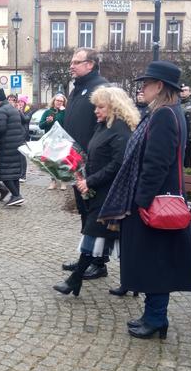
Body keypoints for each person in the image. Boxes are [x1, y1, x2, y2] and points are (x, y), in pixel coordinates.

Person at [99, 61, 191, 339]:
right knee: (155, 261)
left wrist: (141, 201)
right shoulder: (168, 111)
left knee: (155, 263)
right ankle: (152, 315)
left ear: (160, 87)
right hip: (157, 198)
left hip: (154, 203)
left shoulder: (164, 115)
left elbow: (157, 163)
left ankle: (156, 318)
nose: (142, 88)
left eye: (147, 83)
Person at [53, 86, 138, 297]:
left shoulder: (121, 130)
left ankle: (75, 280)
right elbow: (95, 156)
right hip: (98, 189)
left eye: (100, 107)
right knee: (117, 239)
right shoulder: (104, 126)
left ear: (114, 107)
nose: (96, 111)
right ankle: (130, 282)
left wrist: (89, 181)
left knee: (93, 233)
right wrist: (79, 173)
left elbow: (117, 165)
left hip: (111, 193)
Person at [62, 47, 109, 280]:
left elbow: (105, 124)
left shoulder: (101, 88)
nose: (72, 65)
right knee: (84, 210)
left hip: (93, 163)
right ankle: (86, 257)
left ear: (90, 64)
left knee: (94, 214)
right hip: (75, 161)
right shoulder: (78, 88)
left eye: (76, 62)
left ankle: (99, 262)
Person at [0, 88, 25, 206]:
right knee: (14, 173)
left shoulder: (2, 111)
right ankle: (16, 196)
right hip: (16, 143)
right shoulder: (12, 108)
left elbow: (1, 129)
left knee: (3, 172)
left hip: (7, 145)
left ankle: (16, 195)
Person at [39, 93, 68, 190]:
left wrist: (64, 112)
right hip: (50, 140)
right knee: (51, 162)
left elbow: (68, 124)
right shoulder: (48, 112)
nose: (59, 102)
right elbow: (41, 126)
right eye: (57, 100)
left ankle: (63, 181)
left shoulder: (65, 112)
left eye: (61, 101)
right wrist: (47, 121)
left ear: (64, 102)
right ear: (54, 101)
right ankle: (53, 181)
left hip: (62, 140)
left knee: (62, 161)